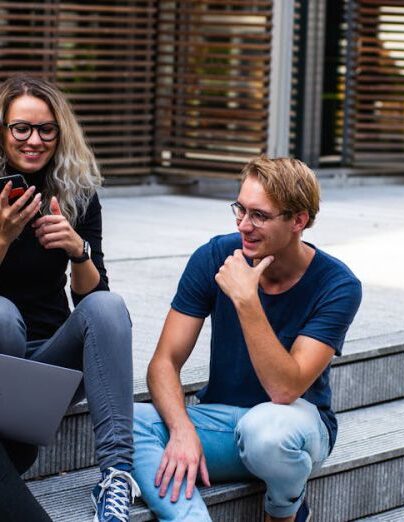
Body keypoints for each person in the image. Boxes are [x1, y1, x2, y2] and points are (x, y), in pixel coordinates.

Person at [133, 156, 362, 521]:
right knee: (129, 421)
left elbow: (285, 390)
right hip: (222, 421)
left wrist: (246, 299)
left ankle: (283, 510)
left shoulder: (337, 285)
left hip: (294, 427)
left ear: (298, 220)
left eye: (259, 215)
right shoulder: (214, 256)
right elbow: (164, 362)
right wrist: (180, 431)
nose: (243, 225)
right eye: (240, 209)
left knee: (267, 430)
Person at [0, 75, 140, 522]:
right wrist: (2, 237)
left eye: (46, 129)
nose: (34, 140)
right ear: (2, 129)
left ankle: (117, 477)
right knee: (2, 316)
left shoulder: (75, 193)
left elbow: (92, 299)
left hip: (50, 363)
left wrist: (77, 249)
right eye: (21, 127)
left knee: (109, 307)